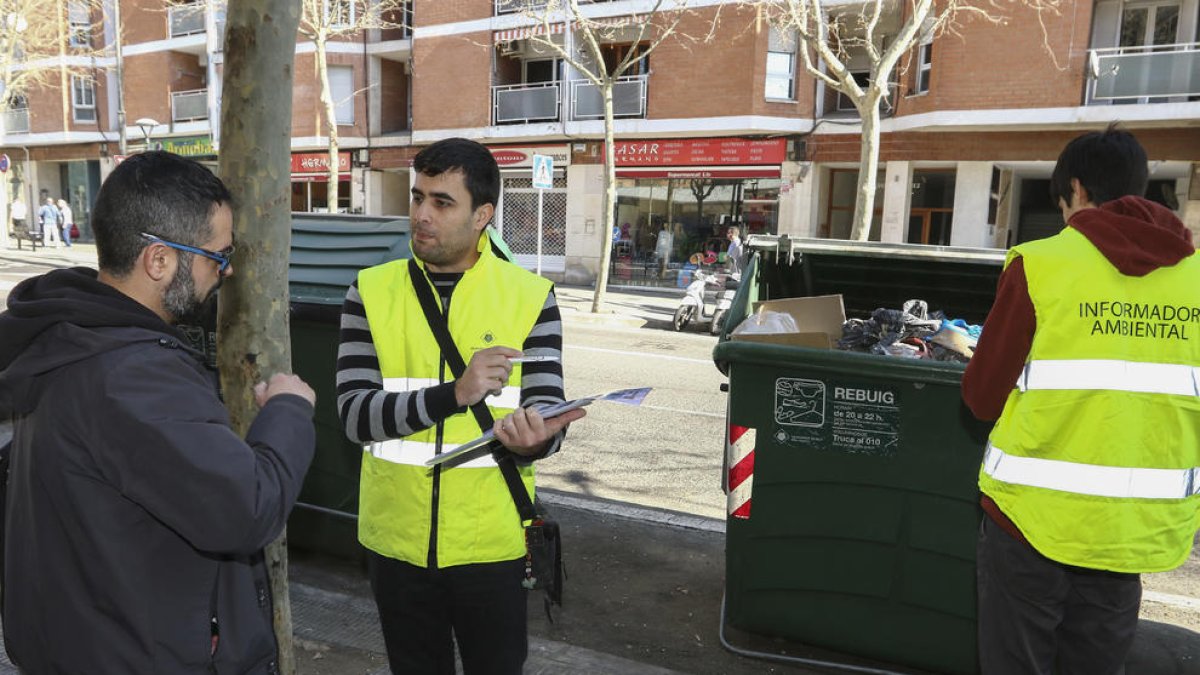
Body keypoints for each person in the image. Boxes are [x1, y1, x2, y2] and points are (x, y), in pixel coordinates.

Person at [0, 151, 317, 674]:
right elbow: (249, 509)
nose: (228, 268)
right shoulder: (136, 374)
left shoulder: (66, 338)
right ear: (160, 261)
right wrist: (287, 409)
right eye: (218, 255)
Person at [336, 137, 586, 674]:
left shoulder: (530, 297)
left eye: (442, 202)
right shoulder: (369, 292)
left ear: (483, 216)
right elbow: (355, 416)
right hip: (395, 545)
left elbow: (546, 407)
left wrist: (537, 439)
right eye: (417, 197)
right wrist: (457, 392)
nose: (422, 215)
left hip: (491, 546)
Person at [962, 125, 1200, 675]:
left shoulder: (1043, 263)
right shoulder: (1193, 279)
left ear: (1077, 189)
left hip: (1028, 524)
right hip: (1129, 532)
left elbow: (980, 396)